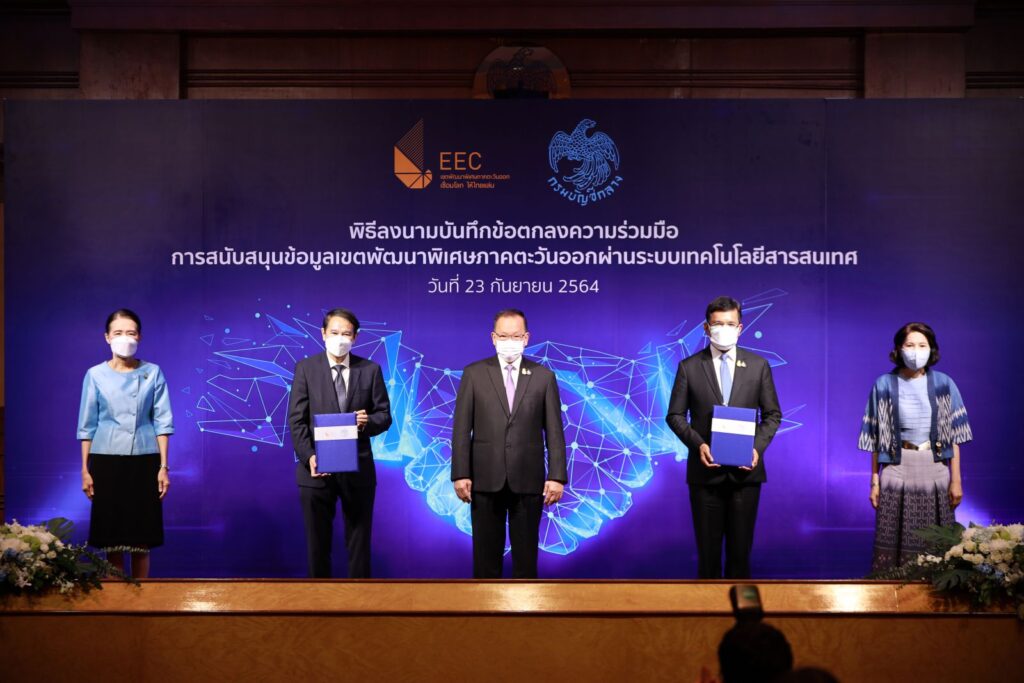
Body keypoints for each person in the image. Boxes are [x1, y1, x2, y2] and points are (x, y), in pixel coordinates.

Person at [666, 296, 782, 579]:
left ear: (740, 328)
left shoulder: (758, 365)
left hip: (746, 475)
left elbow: (772, 415)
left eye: (730, 324)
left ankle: (738, 608)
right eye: (718, 324)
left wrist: (756, 448)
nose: (724, 329)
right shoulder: (689, 367)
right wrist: (698, 445)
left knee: (740, 559)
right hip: (706, 476)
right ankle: (709, 608)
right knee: (708, 560)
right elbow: (675, 415)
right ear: (706, 328)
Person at [451, 308, 567, 578]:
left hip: (528, 481)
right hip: (484, 480)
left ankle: (525, 607)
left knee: (526, 562)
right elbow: (461, 429)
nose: (509, 341)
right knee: (485, 561)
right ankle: (485, 606)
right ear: (493, 338)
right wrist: (460, 473)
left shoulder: (543, 376)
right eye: (503, 336)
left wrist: (557, 476)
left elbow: (554, 431)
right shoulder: (474, 374)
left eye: (515, 336)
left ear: (526, 338)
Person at [288, 308, 392, 578]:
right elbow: (296, 420)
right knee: (317, 543)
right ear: (323, 334)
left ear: (355, 337)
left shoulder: (370, 370)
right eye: (334, 332)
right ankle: (319, 599)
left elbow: (385, 416)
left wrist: (367, 421)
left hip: (358, 469)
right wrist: (309, 456)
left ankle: (359, 599)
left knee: (359, 543)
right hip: (316, 470)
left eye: (346, 333)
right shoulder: (306, 369)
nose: (340, 338)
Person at [859, 322, 971, 572]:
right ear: (899, 349)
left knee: (937, 546)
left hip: (935, 469)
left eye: (922, 345)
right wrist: (874, 481)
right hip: (896, 469)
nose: (916, 350)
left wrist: (956, 481)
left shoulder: (944, 383)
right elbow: (877, 440)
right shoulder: (883, 384)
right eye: (910, 345)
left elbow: (954, 437)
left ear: (931, 349)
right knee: (892, 544)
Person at [78, 309, 173, 578]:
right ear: (107, 337)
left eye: (131, 333)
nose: (125, 338)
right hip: (106, 459)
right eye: (118, 332)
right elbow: (87, 426)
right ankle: (115, 599)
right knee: (113, 539)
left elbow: (163, 423)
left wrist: (163, 467)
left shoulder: (152, 372)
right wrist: (85, 470)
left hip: (145, 459)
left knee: (141, 539)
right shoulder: (95, 374)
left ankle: (143, 598)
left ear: (139, 337)